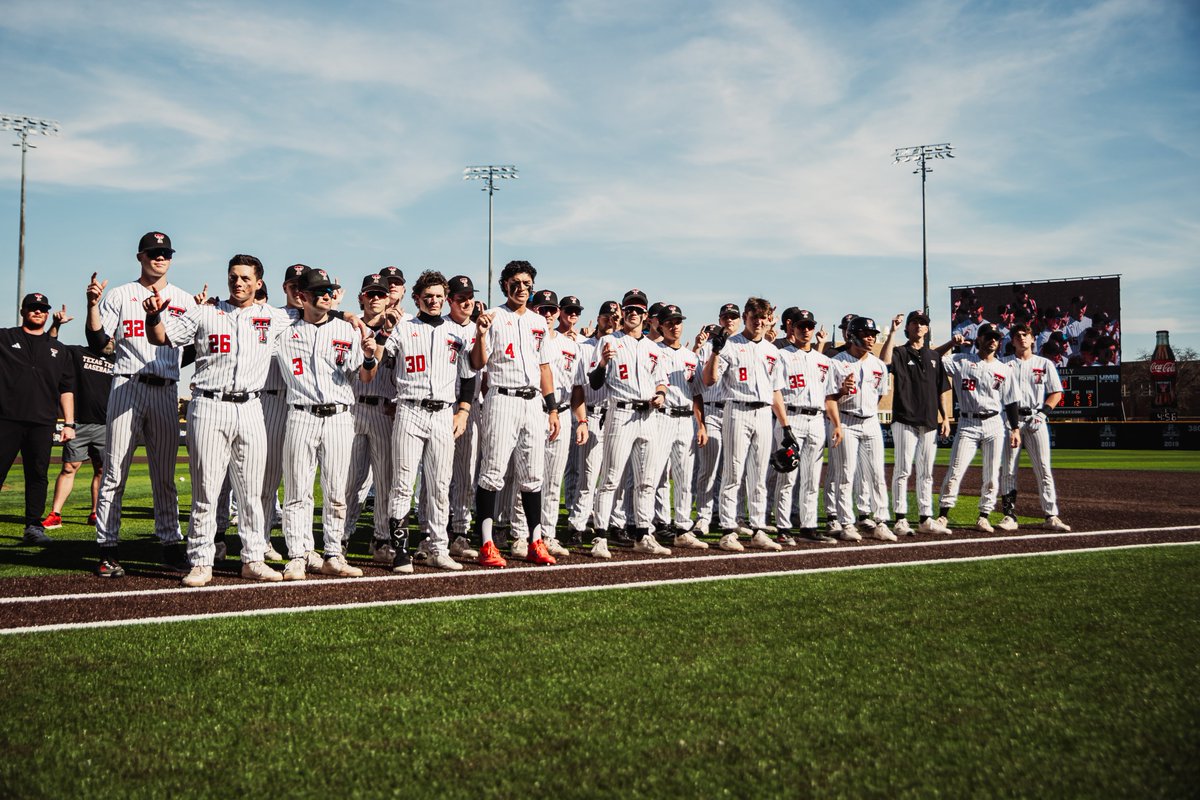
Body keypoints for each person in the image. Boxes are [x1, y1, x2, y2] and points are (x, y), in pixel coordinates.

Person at [147, 254, 290, 587]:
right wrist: (153, 314)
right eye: (232, 276)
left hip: (252, 406)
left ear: (258, 283)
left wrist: (350, 318)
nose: (237, 282)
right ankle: (200, 560)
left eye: (244, 278)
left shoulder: (274, 317)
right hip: (210, 404)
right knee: (207, 491)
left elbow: (312, 320)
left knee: (251, 493)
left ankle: (252, 558)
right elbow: (161, 337)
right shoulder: (206, 312)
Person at [86, 232, 197, 578]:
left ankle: (169, 545)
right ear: (140, 256)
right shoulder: (120, 294)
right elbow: (98, 341)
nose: (159, 258)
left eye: (165, 253)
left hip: (165, 388)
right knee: (114, 472)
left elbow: (193, 348)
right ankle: (107, 548)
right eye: (153, 252)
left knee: (164, 476)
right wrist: (91, 304)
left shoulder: (183, 299)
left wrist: (172, 364)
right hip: (128, 383)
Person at [276, 268, 379, 580]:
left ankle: (334, 553)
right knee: (297, 490)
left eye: (329, 290)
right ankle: (298, 554)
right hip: (301, 413)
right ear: (302, 296)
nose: (325, 294)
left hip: (337, 415)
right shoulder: (284, 328)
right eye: (318, 290)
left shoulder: (346, 331)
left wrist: (371, 358)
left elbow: (363, 376)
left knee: (336, 489)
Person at [375, 270, 475, 573]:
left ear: (446, 300)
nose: (434, 301)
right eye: (428, 296)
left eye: (439, 297)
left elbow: (468, 377)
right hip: (410, 408)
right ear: (417, 298)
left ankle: (437, 548)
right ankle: (401, 550)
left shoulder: (455, 332)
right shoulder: (404, 327)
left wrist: (464, 411)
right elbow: (379, 357)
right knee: (403, 483)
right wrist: (383, 331)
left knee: (439, 485)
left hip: (444, 412)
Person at [470, 260, 562, 568]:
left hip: (532, 401)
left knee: (534, 475)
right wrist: (481, 334)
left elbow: (545, 367)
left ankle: (535, 540)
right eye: (515, 283)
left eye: (526, 283)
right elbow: (477, 363)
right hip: (502, 397)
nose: (521, 288)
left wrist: (552, 408)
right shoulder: (494, 316)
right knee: (493, 472)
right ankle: (486, 543)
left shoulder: (538, 322)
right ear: (504, 286)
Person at [701, 296, 792, 552]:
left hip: (763, 412)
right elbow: (709, 380)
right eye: (754, 317)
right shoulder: (731, 344)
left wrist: (785, 427)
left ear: (769, 319)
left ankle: (758, 528)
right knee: (733, 472)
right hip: (736, 409)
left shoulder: (772, 351)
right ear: (746, 317)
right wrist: (716, 352)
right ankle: (728, 529)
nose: (759, 322)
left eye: (763, 318)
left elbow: (776, 392)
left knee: (759, 475)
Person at [588, 289, 670, 555]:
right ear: (622, 313)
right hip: (621, 413)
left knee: (647, 480)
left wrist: (660, 394)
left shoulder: (653, 348)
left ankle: (643, 534)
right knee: (611, 478)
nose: (633, 313)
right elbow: (595, 382)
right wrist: (602, 364)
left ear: (646, 316)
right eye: (629, 309)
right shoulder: (610, 341)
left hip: (648, 415)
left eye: (638, 310)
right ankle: (600, 537)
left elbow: (662, 382)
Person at [506, 289, 583, 557]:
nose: (548, 314)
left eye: (552, 309)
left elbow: (577, 387)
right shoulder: (526, 336)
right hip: (532, 409)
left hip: (560, 412)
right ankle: (519, 534)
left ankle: (547, 534)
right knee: (525, 477)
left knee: (552, 480)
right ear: (534, 310)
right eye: (542, 309)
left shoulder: (570, 344)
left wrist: (581, 419)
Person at [0, 292, 77, 545]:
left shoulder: (58, 349)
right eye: (32, 308)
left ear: (47, 313)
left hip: (42, 422)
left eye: (42, 309)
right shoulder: (5, 337)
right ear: (23, 311)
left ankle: (33, 526)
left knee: (37, 475)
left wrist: (68, 423)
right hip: (6, 419)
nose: (38, 311)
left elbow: (66, 388)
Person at [936, 324, 1020, 533]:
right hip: (967, 422)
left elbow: (1011, 402)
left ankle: (984, 516)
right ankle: (943, 515)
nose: (993, 340)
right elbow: (932, 358)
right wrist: (951, 344)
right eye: (988, 336)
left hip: (994, 423)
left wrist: (1015, 428)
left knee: (991, 475)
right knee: (956, 470)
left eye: (996, 338)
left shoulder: (1004, 369)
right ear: (979, 339)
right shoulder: (961, 360)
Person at [880, 310, 952, 535]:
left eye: (922, 323)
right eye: (915, 323)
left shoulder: (934, 357)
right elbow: (884, 362)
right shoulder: (901, 352)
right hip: (905, 419)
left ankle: (925, 518)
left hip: (929, 420)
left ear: (927, 329)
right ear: (907, 328)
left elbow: (941, 390)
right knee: (902, 470)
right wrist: (891, 332)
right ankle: (900, 519)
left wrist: (946, 417)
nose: (919, 326)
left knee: (926, 472)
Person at [345, 273, 401, 564]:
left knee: (385, 479)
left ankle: (381, 538)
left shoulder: (400, 327)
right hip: (353, 406)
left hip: (383, 408)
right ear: (361, 297)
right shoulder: (348, 325)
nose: (376, 298)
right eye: (370, 293)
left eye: (380, 294)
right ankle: (341, 535)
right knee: (350, 480)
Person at [824, 316, 895, 542]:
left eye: (873, 334)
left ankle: (881, 520)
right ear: (852, 335)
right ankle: (846, 522)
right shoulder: (836, 362)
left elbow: (880, 393)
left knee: (876, 473)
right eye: (866, 334)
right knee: (845, 474)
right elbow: (829, 398)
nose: (871, 338)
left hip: (870, 419)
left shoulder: (878, 365)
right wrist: (837, 422)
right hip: (846, 420)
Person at [997, 322, 1071, 533]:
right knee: (1009, 469)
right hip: (1012, 420)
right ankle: (1009, 515)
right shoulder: (1004, 364)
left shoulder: (1044, 363)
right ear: (1012, 340)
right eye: (1017, 335)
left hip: (1036, 418)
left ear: (1032, 339)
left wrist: (1043, 413)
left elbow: (1056, 392)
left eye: (1025, 334)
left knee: (1043, 468)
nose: (1022, 338)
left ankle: (1051, 515)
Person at [772, 308, 836, 544]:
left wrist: (836, 424)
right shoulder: (782, 355)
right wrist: (784, 425)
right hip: (792, 417)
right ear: (793, 328)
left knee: (811, 477)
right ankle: (783, 526)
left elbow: (829, 396)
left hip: (817, 419)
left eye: (809, 326)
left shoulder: (823, 361)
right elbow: (775, 391)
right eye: (801, 326)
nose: (806, 330)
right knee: (787, 476)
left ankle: (808, 527)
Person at [647, 303, 708, 548]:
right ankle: (660, 522)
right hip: (662, 416)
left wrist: (701, 425)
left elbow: (697, 394)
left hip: (686, 419)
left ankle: (683, 525)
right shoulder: (652, 350)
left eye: (678, 322)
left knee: (684, 475)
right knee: (658, 473)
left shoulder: (690, 356)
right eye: (669, 322)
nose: (674, 326)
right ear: (659, 325)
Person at [42, 336, 114, 531]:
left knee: (102, 470)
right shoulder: (77, 352)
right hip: (78, 422)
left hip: (106, 424)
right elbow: (49, 345)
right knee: (69, 467)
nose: (111, 339)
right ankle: (55, 514)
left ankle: (95, 513)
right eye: (107, 335)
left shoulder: (118, 358)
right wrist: (56, 325)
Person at [565, 300, 620, 546]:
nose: (612, 320)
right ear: (598, 318)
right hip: (590, 413)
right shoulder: (583, 346)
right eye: (607, 315)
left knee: (613, 475)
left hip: (615, 414)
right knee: (587, 474)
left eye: (615, 316)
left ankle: (608, 523)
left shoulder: (623, 345)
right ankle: (577, 524)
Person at [691, 303, 741, 535]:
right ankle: (703, 515)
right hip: (710, 409)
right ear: (720, 320)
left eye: (734, 317)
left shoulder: (742, 346)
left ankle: (723, 514)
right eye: (726, 317)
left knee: (731, 469)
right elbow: (697, 385)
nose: (729, 320)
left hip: (733, 411)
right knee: (708, 469)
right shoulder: (707, 348)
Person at [445, 275, 482, 557]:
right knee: (438, 474)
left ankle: (460, 531)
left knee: (466, 472)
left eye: (469, 296)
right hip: (443, 404)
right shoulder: (441, 325)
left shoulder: (481, 328)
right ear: (450, 300)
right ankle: (431, 531)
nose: (466, 301)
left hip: (471, 406)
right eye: (460, 297)